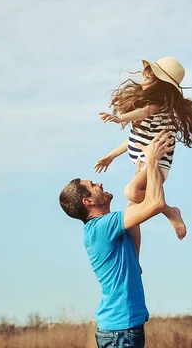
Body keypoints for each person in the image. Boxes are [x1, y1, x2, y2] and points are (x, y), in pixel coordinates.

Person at [59, 131, 173, 348]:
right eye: (93, 184)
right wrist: (152, 162)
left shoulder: (106, 227)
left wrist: (141, 175)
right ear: (88, 201)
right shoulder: (102, 227)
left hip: (121, 329)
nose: (100, 183)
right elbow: (155, 204)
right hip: (121, 331)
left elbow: (136, 213)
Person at [94, 56, 192, 243]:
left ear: (160, 85)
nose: (143, 82)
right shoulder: (153, 109)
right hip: (145, 162)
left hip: (157, 164)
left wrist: (120, 118)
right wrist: (110, 155)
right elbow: (133, 139)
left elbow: (144, 112)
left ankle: (169, 211)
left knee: (130, 192)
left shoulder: (158, 107)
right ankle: (134, 257)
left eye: (148, 79)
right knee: (132, 214)